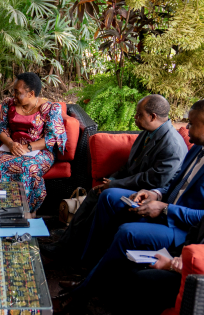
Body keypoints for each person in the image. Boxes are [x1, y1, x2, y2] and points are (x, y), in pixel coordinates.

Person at [57, 98, 204, 313]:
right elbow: (177, 180)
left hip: (182, 229)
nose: (185, 128)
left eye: (191, 123)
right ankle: (89, 268)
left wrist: (166, 208)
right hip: (165, 208)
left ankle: (85, 290)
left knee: (127, 232)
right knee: (110, 198)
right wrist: (155, 193)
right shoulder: (200, 146)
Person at [42, 95, 188, 261]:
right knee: (94, 194)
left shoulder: (172, 145)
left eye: (139, 115)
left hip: (148, 194)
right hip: (133, 185)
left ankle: (76, 252)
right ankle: (67, 243)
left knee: (104, 198)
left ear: (152, 116)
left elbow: (153, 180)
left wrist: (114, 185)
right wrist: (109, 181)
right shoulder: (148, 133)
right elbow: (129, 167)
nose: (135, 118)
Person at [124, 146, 204, 314]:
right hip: (185, 261)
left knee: (143, 279)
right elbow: (196, 230)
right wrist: (180, 256)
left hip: (202, 284)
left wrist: (175, 266)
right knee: (131, 263)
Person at [0, 72, 67, 213]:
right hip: (12, 148)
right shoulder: (8, 104)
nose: (13, 95)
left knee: (27, 168)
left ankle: (27, 212)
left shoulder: (51, 108)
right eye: (13, 91)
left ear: (31, 93)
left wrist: (28, 147)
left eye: (17, 92)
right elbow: (1, 129)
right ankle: (6, 211)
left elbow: (52, 138)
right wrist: (11, 144)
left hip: (40, 151)